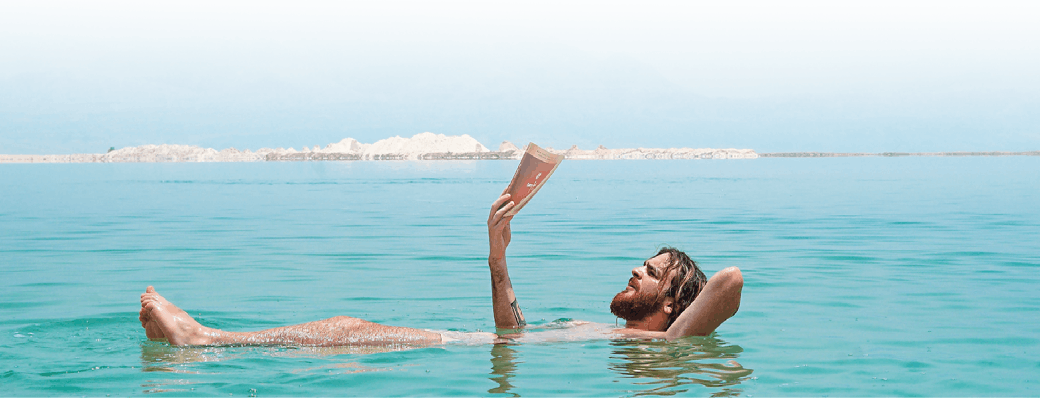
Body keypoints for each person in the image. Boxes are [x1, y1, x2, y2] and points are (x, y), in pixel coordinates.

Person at [139, 193, 743, 347]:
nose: (634, 270)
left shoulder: (665, 349)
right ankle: (205, 338)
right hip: (468, 344)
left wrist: (677, 326)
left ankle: (203, 339)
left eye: (651, 271)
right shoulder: (604, 335)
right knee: (345, 331)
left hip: (451, 349)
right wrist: (497, 255)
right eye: (641, 263)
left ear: (672, 302)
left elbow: (730, 281)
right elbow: (514, 338)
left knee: (345, 332)